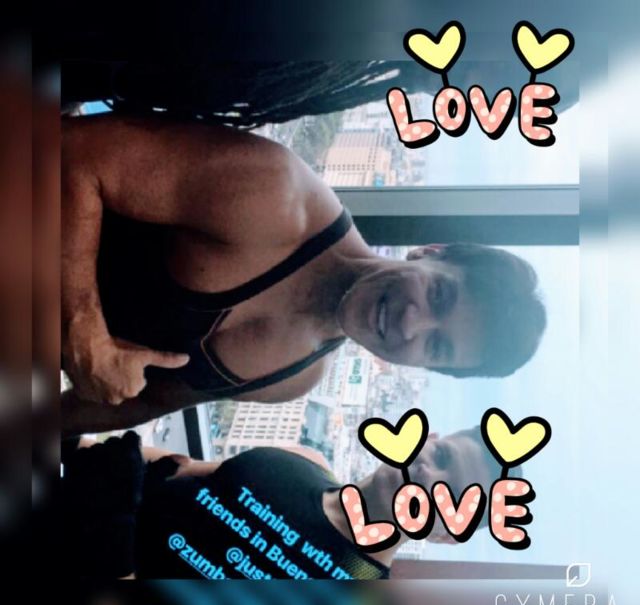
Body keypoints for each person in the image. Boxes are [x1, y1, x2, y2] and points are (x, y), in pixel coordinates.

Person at [62, 114, 546, 434]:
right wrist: (83, 325)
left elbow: (144, 402)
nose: (411, 323)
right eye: (439, 295)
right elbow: (70, 153)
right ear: (428, 252)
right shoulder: (277, 197)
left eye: (436, 346)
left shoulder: (293, 378)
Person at [61, 425, 512, 579]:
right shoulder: (303, 460)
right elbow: (178, 466)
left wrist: (112, 541)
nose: (430, 476)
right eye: (443, 457)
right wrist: (73, 443)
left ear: (446, 534)